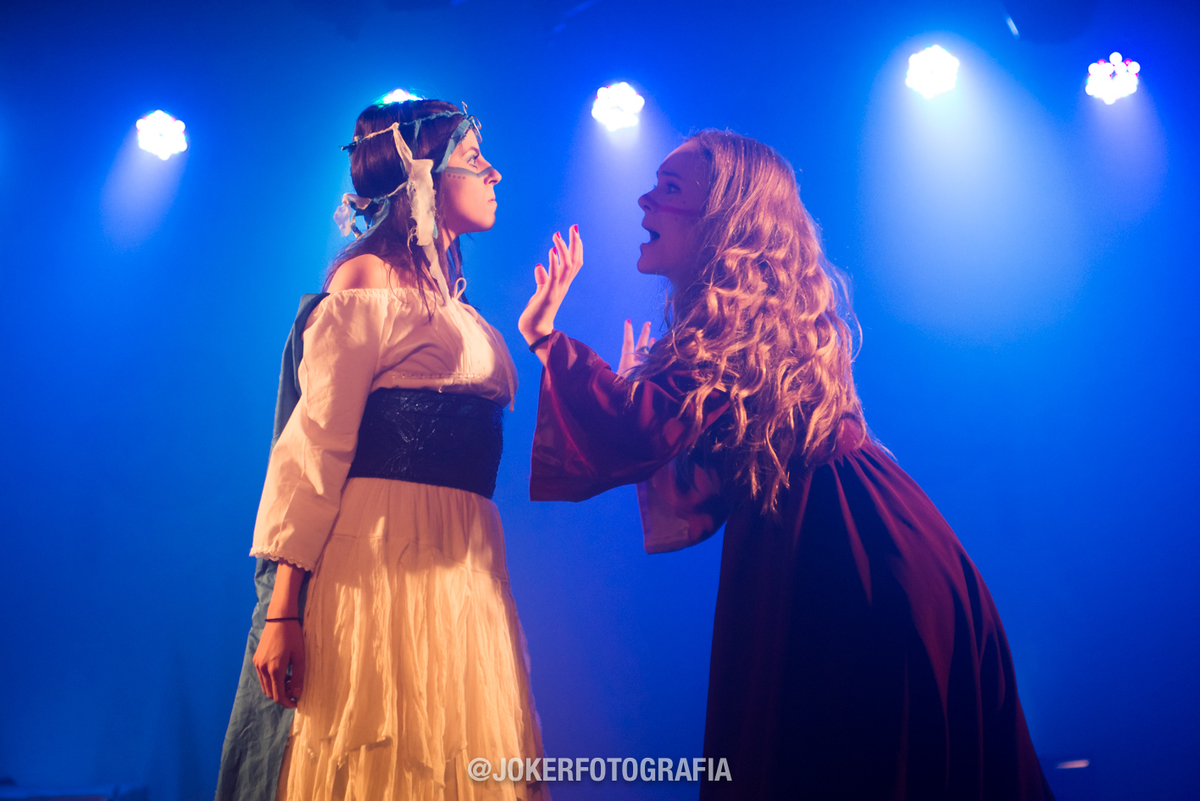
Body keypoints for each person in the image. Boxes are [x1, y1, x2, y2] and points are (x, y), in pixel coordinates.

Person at [518, 130, 1054, 799]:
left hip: (852, 555)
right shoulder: (743, 321)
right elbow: (677, 456)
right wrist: (638, 400)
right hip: (856, 539)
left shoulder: (733, 326)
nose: (643, 199)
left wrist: (546, 338)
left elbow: (636, 427)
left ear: (722, 218)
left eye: (669, 188)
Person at [216, 98, 547, 801]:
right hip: (378, 563)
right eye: (473, 158)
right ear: (423, 176)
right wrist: (283, 611)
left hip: (464, 566)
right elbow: (315, 449)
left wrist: (546, 335)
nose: (493, 171)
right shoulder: (364, 281)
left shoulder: (458, 307)